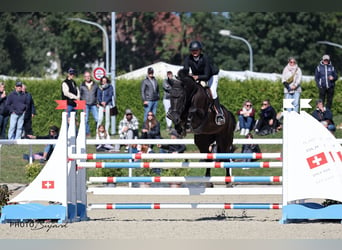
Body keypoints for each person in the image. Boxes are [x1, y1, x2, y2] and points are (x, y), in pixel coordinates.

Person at [183, 40, 224, 125]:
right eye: (193, 50)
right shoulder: (188, 59)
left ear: (200, 50)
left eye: (196, 50)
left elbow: (207, 75)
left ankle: (219, 113)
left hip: (211, 76)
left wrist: (196, 77)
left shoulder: (205, 58)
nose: (194, 52)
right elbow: (185, 70)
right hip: (197, 76)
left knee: (212, 92)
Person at [80, 71, 99, 137]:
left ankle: (98, 132)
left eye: (89, 76)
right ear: (84, 77)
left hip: (94, 104)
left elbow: (97, 94)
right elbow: (80, 95)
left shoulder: (95, 84)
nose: (88, 77)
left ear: (90, 77)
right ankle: (87, 133)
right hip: (85, 104)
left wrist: (98, 102)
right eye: (86, 76)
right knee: (85, 119)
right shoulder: (81, 85)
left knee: (97, 119)